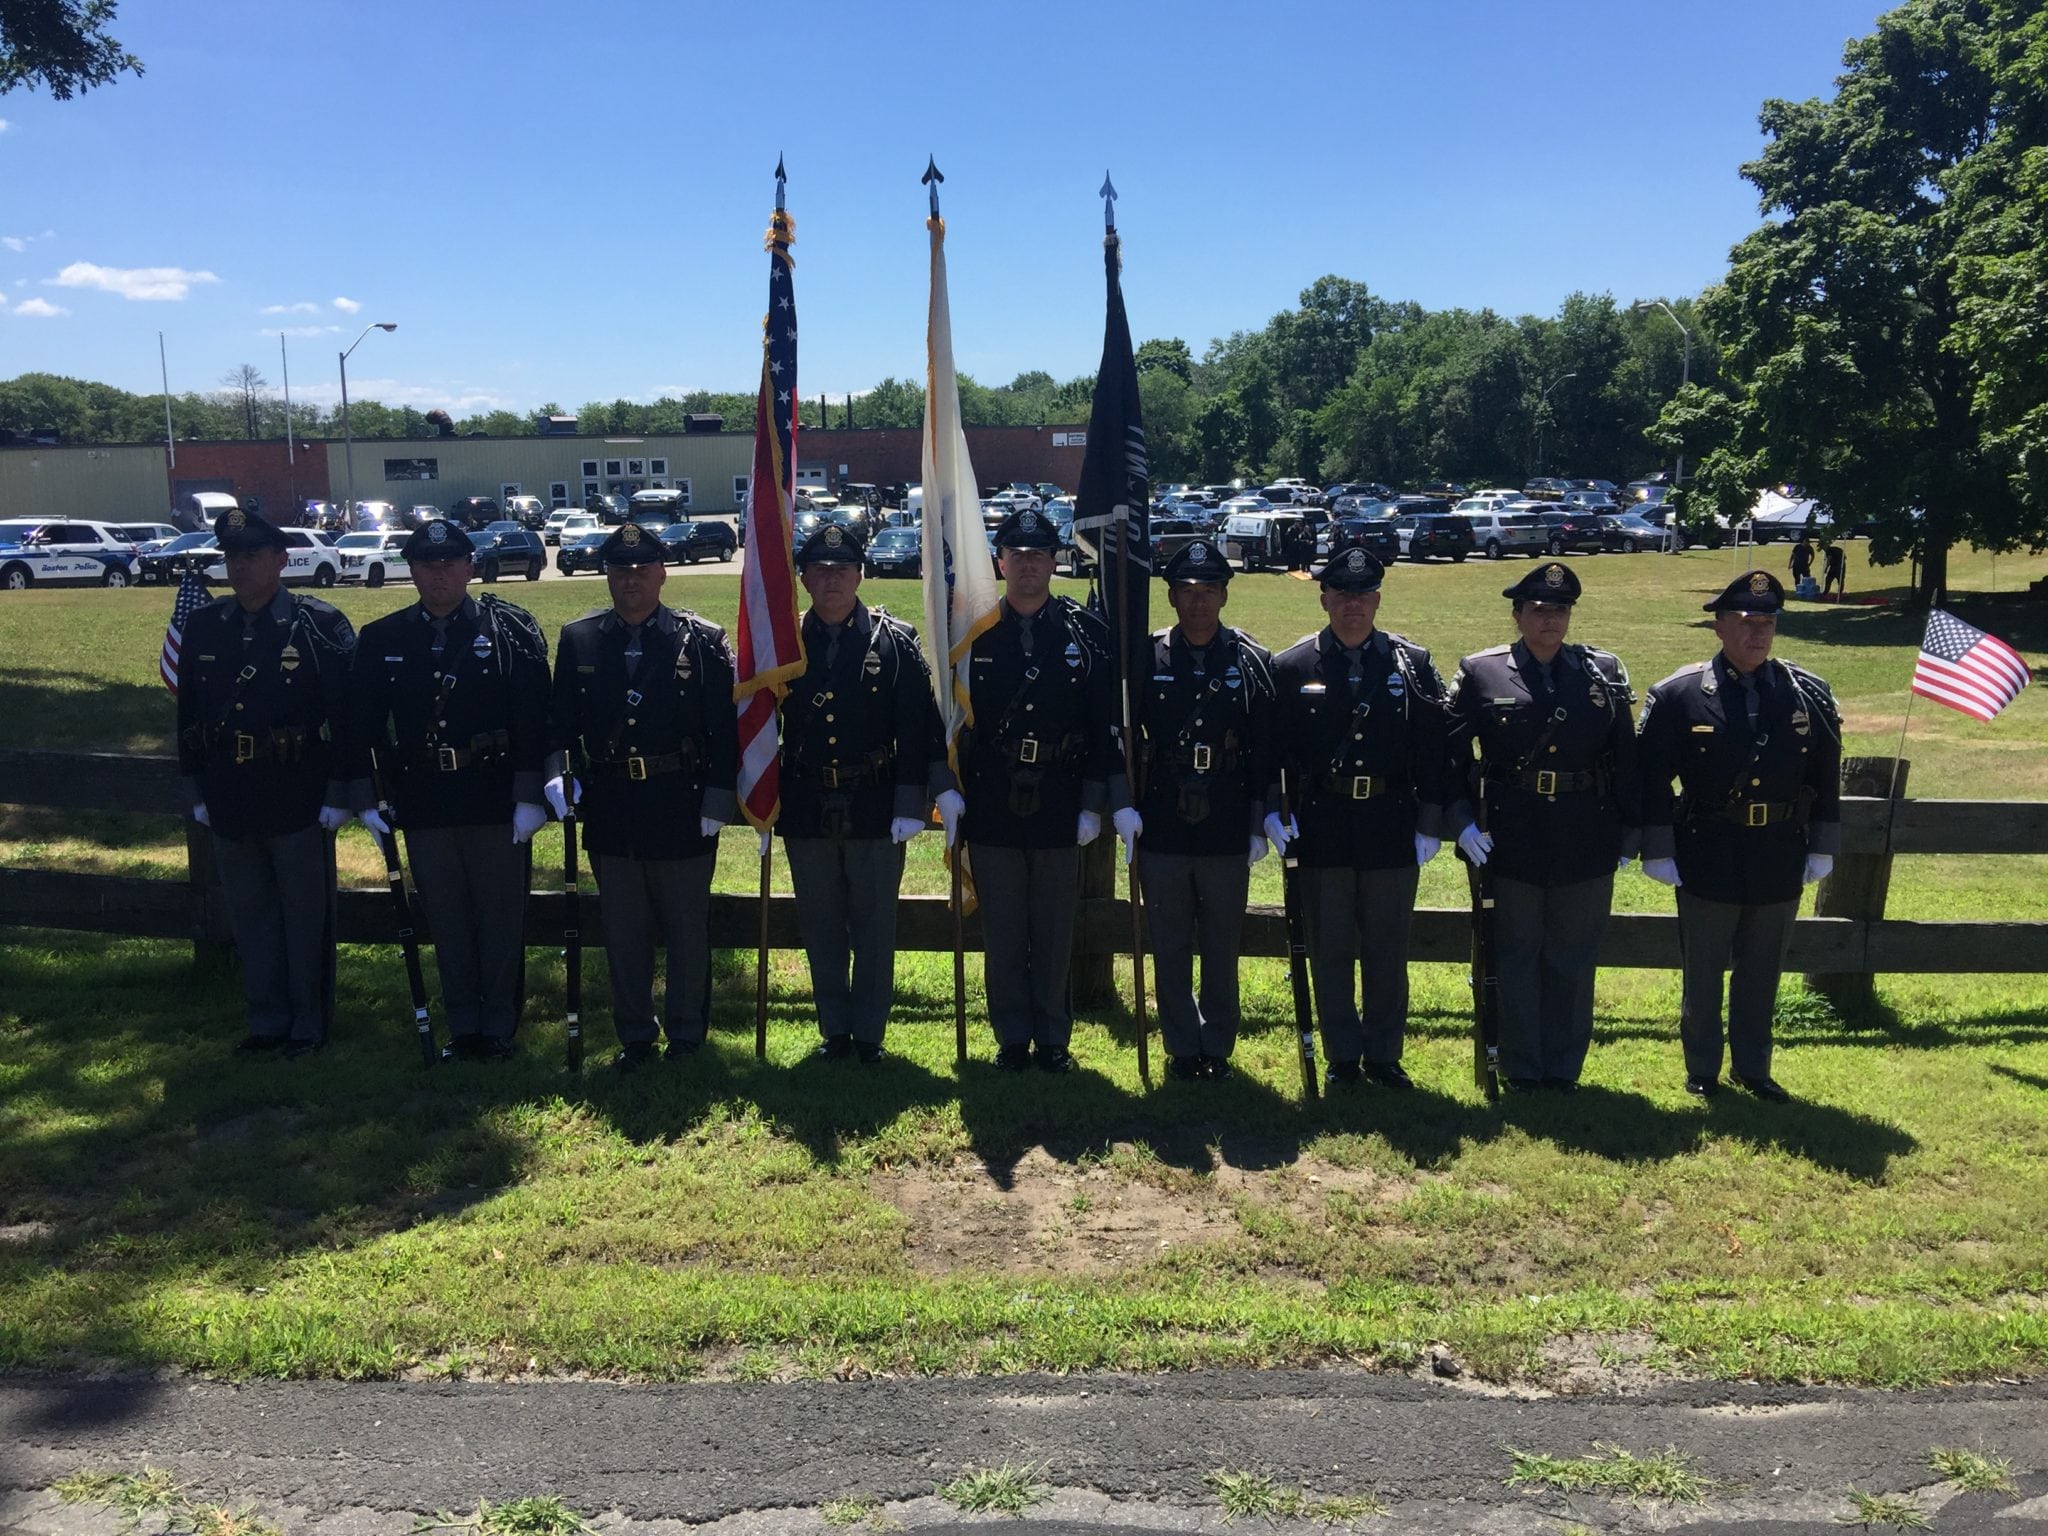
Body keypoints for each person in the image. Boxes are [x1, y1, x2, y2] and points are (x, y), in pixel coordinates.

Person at [343, 520, 552, 1062]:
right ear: (411, 570)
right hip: (425, 800)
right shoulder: (383, 638)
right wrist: (366, 798)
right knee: (448, 918)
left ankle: (500, 1025)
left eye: (450, 563)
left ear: (469, 567)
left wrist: (530, 795)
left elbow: (534, 721)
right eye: (426, 564)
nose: (439, 574)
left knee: (502, 917)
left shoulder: (509, 633)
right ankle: (463, 1025)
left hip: (494, 798)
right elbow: (359, 728)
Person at [1636, 570, 1842, 1102]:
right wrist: (1657, 847)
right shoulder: (1679, 694)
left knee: (1762, 969)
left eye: (1767, 622)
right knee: (1703, 970)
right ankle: (1702, 1067)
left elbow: (1825, 772)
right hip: (1708, 845)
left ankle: (1754, 1067)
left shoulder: (1806, 693)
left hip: (1779, 847)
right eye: (1747, 622)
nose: (1758, 634)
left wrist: (1823, 842)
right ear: (1719, 627)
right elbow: (1651, 777)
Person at [545, 521, 739, 1071]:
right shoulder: (580, 639)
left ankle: (685, 1033)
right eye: (620, 570)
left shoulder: (699, 640)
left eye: (641, 570)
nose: (631, 580)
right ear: (607, 575)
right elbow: (559, 725)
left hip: (680, 801)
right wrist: (558, 774)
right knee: (623, 931)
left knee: (685, 930)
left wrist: (718, 798)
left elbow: (724, 730)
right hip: (610, 805)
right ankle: (634, 1034)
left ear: (662, 573)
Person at [1446, 561, 1640, 1093]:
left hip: (1587, 833)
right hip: (1511, 835)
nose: (1550, 620)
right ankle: (1521, 1065)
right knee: (1514, 953)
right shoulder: (1483, 671)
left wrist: (1630, 834)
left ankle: (1562, 1067)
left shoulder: (1601, 671)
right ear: (1517, 614)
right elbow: (1450, 756)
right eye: (1538, 610)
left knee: (1573, 957)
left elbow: (1626, 758)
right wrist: (1462, 822)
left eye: (1560, 610)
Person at [935, 506, 1117, 1073]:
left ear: (1056, 561)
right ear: (1000, 561)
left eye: (1040, 554)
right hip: (991, 798)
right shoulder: (971, 633)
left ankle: (1054, 1038)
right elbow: (941, 718)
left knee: (1055, 927)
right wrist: (948, 787)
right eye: (1018, 555)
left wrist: (1092, 804)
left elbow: (1103, 727)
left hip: (1061, 799)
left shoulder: (1086, 635)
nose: (1029, 565)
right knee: (1005, 928)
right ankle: (1013, 1037)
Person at [1265, 546, 1451, 1091]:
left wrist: (1430, 822)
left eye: (1364, 595)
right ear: (1324, 597)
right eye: (1342, 595)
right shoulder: (1292, 665)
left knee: (1387, 948)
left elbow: (1434, 748)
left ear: (1377, 599)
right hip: (1322, 824)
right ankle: (1343, 1055)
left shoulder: (1409, 664)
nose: (1353, 605)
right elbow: (1273, 751)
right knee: (1331, 945)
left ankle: (1385, 1055)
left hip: (1391, 823)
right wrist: (1277, 815)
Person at [175, 508, 356, 1059]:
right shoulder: (206, 625)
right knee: (250, 915)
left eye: (253, 555)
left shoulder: (319, 624)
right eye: (232, 556)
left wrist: (341, 793)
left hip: (296, 790)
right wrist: (195, 791)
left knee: (304, 915)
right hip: (230, 791)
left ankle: (308, 1021)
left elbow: (348, 717)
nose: (241, 566)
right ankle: (267, 1019)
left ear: (281, 560)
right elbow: (189, 717)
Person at [776, 523, 942, 1063]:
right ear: (803, 579)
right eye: (820, 571)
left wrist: (910, 804)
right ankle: (835, 1030)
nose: (832, 580)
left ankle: (869, 1033)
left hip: (874, 802)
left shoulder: (894, 640)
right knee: (821, 923)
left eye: (842, 570)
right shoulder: (781, 644)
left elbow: (917, 727)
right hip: (805, 799)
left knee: (874, 925)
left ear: (860, 575)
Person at [1118, 539, 1276, 1082]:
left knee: (1221, 943)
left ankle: (1219, 1046)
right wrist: (1125, 806)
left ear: (1225, 595)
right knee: (1169, 941)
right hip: (1161, 818)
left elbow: (1263, 750)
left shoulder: (1252, 661)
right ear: (1171, 597)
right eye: (1187, 591)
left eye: (1208, 591)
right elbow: (1121, 735)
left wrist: (1260, 821)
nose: (1198, 602)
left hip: (1227, 822)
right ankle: (1183, 1047)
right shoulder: (1146, 656)